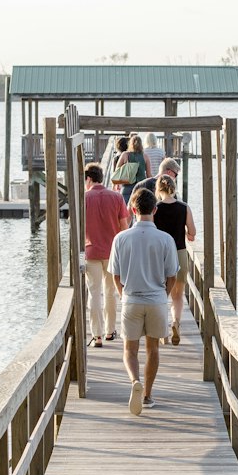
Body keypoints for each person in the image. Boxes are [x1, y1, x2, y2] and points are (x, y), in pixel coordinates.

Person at [108, 187, 178, 414]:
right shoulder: (165, 239)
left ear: (132, 209)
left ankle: (133, 382)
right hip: (157, 299)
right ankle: (147, 395)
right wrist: (163, 295)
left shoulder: (120, 238)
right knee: (153, 349)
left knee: (129, 350)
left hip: (131, 299)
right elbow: (172, 275)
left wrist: (122, 294)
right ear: (155, 210)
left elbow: (115, 274)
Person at [83, 164, 128, 347]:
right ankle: (110, 331)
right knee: (111, 292)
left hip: (91, 250)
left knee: (94, 293)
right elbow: (124, 227)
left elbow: (76, 227)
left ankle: (97, 335)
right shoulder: (117, 197)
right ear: (101, 177)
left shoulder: (84, 198)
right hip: (113, 253)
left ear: (88, 179)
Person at [154, 173, 196, 346]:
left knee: (161, 295)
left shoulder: (155, 208)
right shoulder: (184, 207)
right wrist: (184, 233)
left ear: (158, 189)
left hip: (160, 256)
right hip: (179, 254)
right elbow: (192, 234)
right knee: (177, 296)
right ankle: (176, 323)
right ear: (173, 188)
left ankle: (163, 332)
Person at [118, 134, 148, 204]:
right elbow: (149, 175)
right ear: (141, 144)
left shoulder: (125, 154)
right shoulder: (145, 156)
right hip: (141, 187)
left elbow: (117, 170)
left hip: (126, 187)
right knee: (139, 209)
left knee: (125, 211)